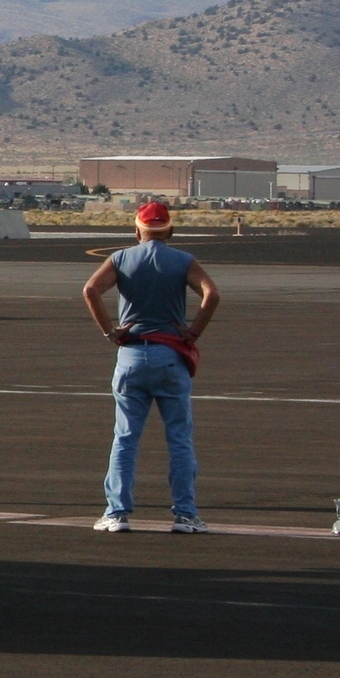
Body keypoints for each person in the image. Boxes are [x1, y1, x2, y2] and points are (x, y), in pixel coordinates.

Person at [81, 201, 221, 534]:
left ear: (137, 230)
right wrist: (194, 330)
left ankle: (116, 512)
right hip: (170, 354)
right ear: (170, 231)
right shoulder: (183, 261)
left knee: (125, 438)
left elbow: (90, 290)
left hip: (131, 355)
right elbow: (211, 293)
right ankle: (185, 514)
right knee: (179, 438)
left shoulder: (121, 258)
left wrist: (109, 331)